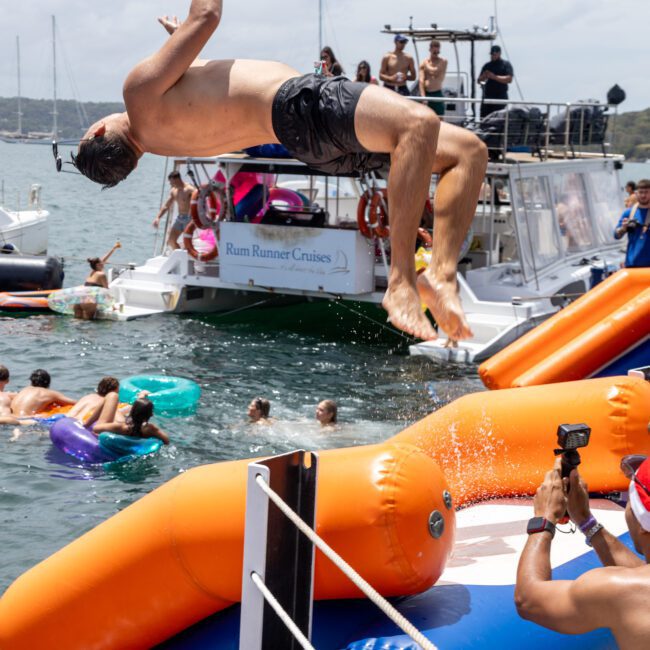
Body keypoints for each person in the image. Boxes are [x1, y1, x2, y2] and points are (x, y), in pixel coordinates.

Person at [70, 1, 488, 341]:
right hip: (298, 106)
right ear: (100, 129)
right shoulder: (136, 94)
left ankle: (440, 275)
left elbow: (215, 91)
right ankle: (402, 282)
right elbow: (207, 14)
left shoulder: (164, 140)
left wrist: (179, 42)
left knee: (467, 152)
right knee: (419, 124)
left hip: (307, 141)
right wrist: (192, 26)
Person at [515, 455, 650, 648]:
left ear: (643, 521)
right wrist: (586, 521)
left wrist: (544, 517)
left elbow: (527, 600)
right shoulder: (636, 590)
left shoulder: (617, 591)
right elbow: (640, 576)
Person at [88, 391, 170, 445]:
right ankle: (141, 396)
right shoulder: (150, 429)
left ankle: (86, 423)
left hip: (123, 426)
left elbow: (96, 429)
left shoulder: (121, 427)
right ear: (150, 415)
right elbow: (166, 441)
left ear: (132, 412)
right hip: (135, 427)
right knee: (122, 413)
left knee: (113, 401)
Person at [0, 369, 76, 425]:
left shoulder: (23, 390)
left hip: (11, 417)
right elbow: (75, 403)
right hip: (26, 420)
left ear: (31, 382)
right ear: (48, 384)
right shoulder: (49, 393)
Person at [152, 170, 196, 251]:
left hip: (189, 219)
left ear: (177, 179)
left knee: (187, 243)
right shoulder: (174, 191)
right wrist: (158, 217)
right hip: (180, 218)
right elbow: (166, 205)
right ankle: (181, 256)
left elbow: (199, 200)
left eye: (171, 181)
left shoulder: (189, 189)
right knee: (171, 241)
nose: (170, 184)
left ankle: (188, 257)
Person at [614, 178, 650, 268]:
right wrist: (623, 228)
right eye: (641, 192)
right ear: (636, 193)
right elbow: (616, 235)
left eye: (646, 192)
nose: (643, 195)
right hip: (633, 265)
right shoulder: (629, 213)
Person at [478, 45, 513, 119]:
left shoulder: (505, 64)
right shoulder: (487, 65)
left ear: (499, 53)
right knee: (484, 119)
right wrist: (484, 76)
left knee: (498, 120)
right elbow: (479, 80)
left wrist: (494, 77)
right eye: (491, 54)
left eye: (494, 54)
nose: (492, 56)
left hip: (500, 98)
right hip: (487, 97)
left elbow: (509, 79)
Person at [419, 40, 447, 116]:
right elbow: (421, 81)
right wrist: (423, 97)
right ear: (430, 50)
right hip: (426, 94)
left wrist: (426, 65)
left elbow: (435, 71)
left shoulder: (443, 61)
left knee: (439, 118)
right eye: (433, 50)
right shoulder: (423, 63)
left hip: (437, 93)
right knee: (425, 117)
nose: (435, 53)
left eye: (437, 51)